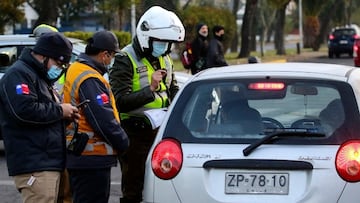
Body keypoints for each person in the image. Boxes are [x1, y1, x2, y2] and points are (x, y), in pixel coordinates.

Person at [109, 6, 185, 203]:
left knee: (162, 186)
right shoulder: (125, 59)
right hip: (134, 134)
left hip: (160, 131)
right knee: (134, 189)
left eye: (169, 43)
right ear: (146, 38)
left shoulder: (164, 58)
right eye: (161, 42)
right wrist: (150, 89)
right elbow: (120, 102)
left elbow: (172, 89)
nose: (166, 47)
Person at [0, 32, 80, 203]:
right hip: (34, 164)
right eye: (58, 63)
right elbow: (23, 111)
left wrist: (66, 116)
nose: (59, 69)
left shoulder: (40, 77)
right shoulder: (18, 75)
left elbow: (43, 115)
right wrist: (60, 111)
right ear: (43, 56)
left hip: (48, 161)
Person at [62, 30, 129, 203]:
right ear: (104, 54)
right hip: (92, 158)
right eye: (112, 56)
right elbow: (103, 120)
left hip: (80, 154)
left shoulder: (76, 68)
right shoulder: (90, 78)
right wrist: (124, 143)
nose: (111, 60)